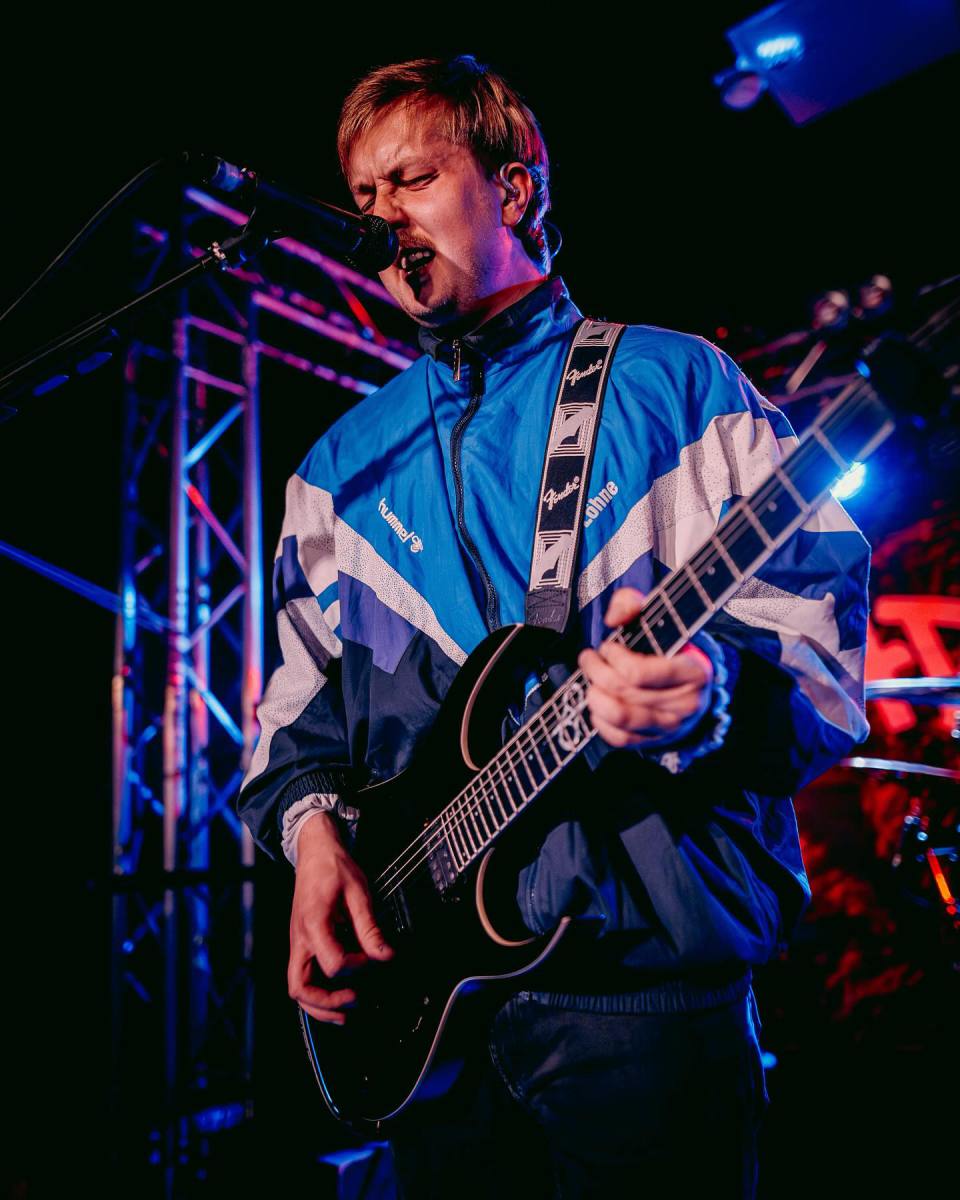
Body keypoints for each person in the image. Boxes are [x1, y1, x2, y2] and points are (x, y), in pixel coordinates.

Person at [237, 54, 870, 1198]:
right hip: (425, 1010)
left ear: (514, 189)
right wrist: (315, 836)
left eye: (413, 179)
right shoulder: (338, 469)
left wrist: (709, 698)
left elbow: (821, 646)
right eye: (365, 196)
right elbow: (296, 718)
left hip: (643, 996)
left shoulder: (678, 385)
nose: (381, 217)